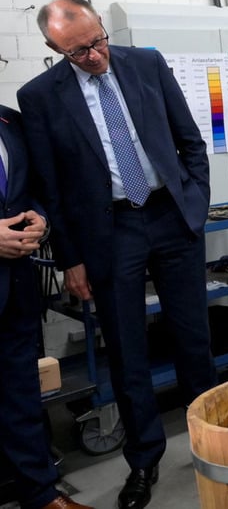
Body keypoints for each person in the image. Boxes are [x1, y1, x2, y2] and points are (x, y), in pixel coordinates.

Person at [17, 0, 217, 509]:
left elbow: (190, 140)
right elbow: (50, 186)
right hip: (110, 230)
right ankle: (144, 460)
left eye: (97, 41)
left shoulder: (146, 63)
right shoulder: (39, 97)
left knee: (193, 337)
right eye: (78, 52)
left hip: (170, 215)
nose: (94, 56)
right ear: (54, 48)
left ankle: (215, 441)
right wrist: (71, 259)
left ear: (102, 27)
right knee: (127, 352)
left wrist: (194, 204)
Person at [0, 105, 92, 509]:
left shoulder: (9, 121)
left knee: (20, 396)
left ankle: (41, 494)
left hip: (15, 289)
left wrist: (40, 219)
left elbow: (30, 191)